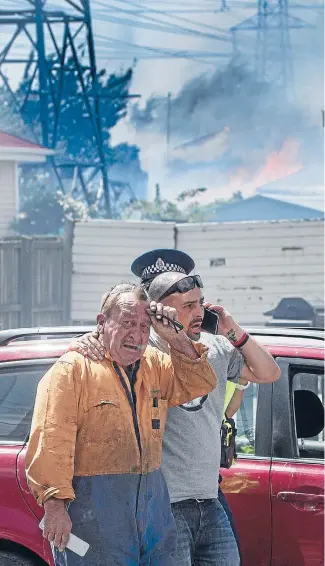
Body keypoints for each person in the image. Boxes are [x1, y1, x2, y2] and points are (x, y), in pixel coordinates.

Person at [72, 250, 281, 566]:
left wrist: (231, 329)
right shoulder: (139, 351)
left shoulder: (216, 349)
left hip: (209, 499)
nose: (198, 313)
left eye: (200, 303)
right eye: (187, 306)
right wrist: (90, 338)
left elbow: (269, 373)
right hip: (161, 504)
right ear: (157, 310)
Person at [25, 282, 217, 566]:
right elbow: (52, 440)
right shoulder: (72, 370)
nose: (136, 335)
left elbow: (199, 382)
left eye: (143, 326)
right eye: (127, 323)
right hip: (92, 511)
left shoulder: (153, 363)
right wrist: (54, 507)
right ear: (102, 323)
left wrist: (174, 337)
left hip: (152, 508)